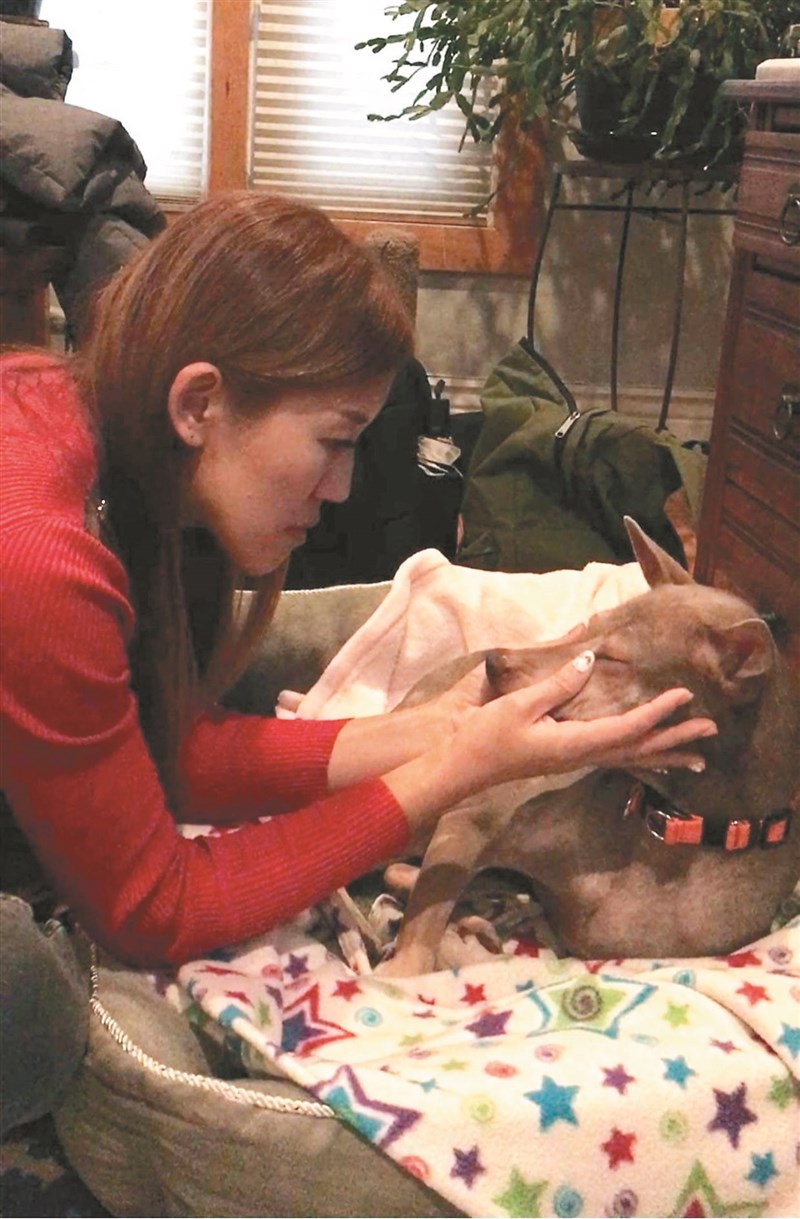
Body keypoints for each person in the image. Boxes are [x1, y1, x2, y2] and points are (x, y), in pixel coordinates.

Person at [0, 192, 715, 1132]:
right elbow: (151, 904)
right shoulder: (41, 554)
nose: (342, 489)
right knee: (30, 1005)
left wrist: (434, 731)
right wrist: (449, 775)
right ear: (199, 403)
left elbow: (164, 751)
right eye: (334, 440)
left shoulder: (91, 423)